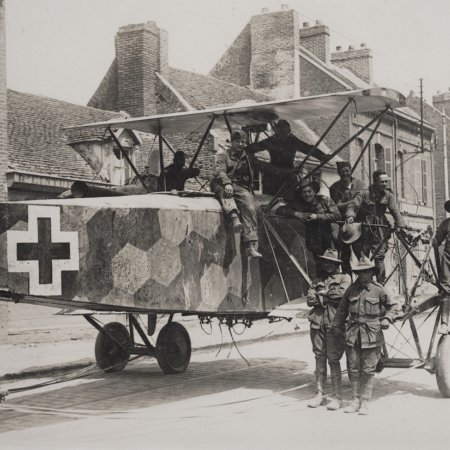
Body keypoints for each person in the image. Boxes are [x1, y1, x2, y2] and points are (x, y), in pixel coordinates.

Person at [331, 256, 399, 415]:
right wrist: (336, 326)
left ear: (371, 273)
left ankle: (365, 402)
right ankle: (355, 400)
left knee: (368, 370)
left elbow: (394, 307)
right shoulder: (351, 290)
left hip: (371, 334)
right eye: (359, 272)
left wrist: (388, 318)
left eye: (365, 272)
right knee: (354, 368)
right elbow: (341, 310)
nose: (361, 275)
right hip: (353, 333)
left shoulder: (378, 289)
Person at [306, 249, 351, 410]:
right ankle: (319, 394)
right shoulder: (317, 279)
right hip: (317, 323)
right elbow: (309, 299)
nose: (328, 265)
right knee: (319, 358)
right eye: (325, 262)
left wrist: (324, 293)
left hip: (334, 324)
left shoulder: (345, 277)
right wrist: (325, 296)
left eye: (331, 262)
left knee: (333, 359)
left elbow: (343, 294)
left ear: (337, 264)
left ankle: (337, 396)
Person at [344, 170, 406, 284]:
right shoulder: (364, 193)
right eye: (382, 182)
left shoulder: (389, 195)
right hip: (363, 229)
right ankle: (366, 284)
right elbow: (353, 205)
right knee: (363, 259)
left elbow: (394, 210)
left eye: (386, 181)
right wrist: (350, 215)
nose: (385, 184)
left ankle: (380, 285)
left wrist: (401, 224)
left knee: (379, 258)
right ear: (375, 182)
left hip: (379, 230)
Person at [211, 129, 262, 258]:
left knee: (250, 207)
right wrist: (227, 183)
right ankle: (234, 219)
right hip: (223, 183)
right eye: (238, 141)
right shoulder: (223, 155)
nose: (240, 144)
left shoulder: (248, 158)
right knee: (225, 191)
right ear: (231, 142)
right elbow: (220, 171)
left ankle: (250, 246)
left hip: (240, 187)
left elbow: (264, 166)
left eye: (243, 142)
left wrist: (287, 171)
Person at [274, 178, 341, 262]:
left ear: (314, 191)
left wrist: (317, 216)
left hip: (326, 237)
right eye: (304, 192)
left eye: (309, 191)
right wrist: (297, 214)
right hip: (309, 239)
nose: (307, 194)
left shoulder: (324, 200)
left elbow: (337, 215)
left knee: (328, 262)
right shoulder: (299, 204)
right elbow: (280, 210)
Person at [245, 119, 313, 195]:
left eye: (284, 131)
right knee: (270, 200)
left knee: (289, 200)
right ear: (276, 131)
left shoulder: (293, 141)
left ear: (289, 131)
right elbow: (251, 148)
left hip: (288, 177)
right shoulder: (271, 141)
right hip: (273, 176)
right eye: (280, 131)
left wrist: (323, 156)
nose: (282, 135)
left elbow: (308, 148)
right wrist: (253, 159)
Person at [330, 161, 365, 274]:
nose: (345, 173)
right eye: (342, 171)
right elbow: (337, 206)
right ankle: (347, 279)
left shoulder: (360, 184)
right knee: (344, 255)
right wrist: (355, 201)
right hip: (344, 225)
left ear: (350, 171)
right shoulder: (334, 188)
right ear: (338, 172)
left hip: (359, 224)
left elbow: (364, 202)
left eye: (347, 171)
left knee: (361, 253)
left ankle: (364, 278)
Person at [433, 200, 450, 334]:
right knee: (446, 289)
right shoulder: (446, 223)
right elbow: (436, 240)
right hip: (449, 260)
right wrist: (429, 238)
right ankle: (444, 323)